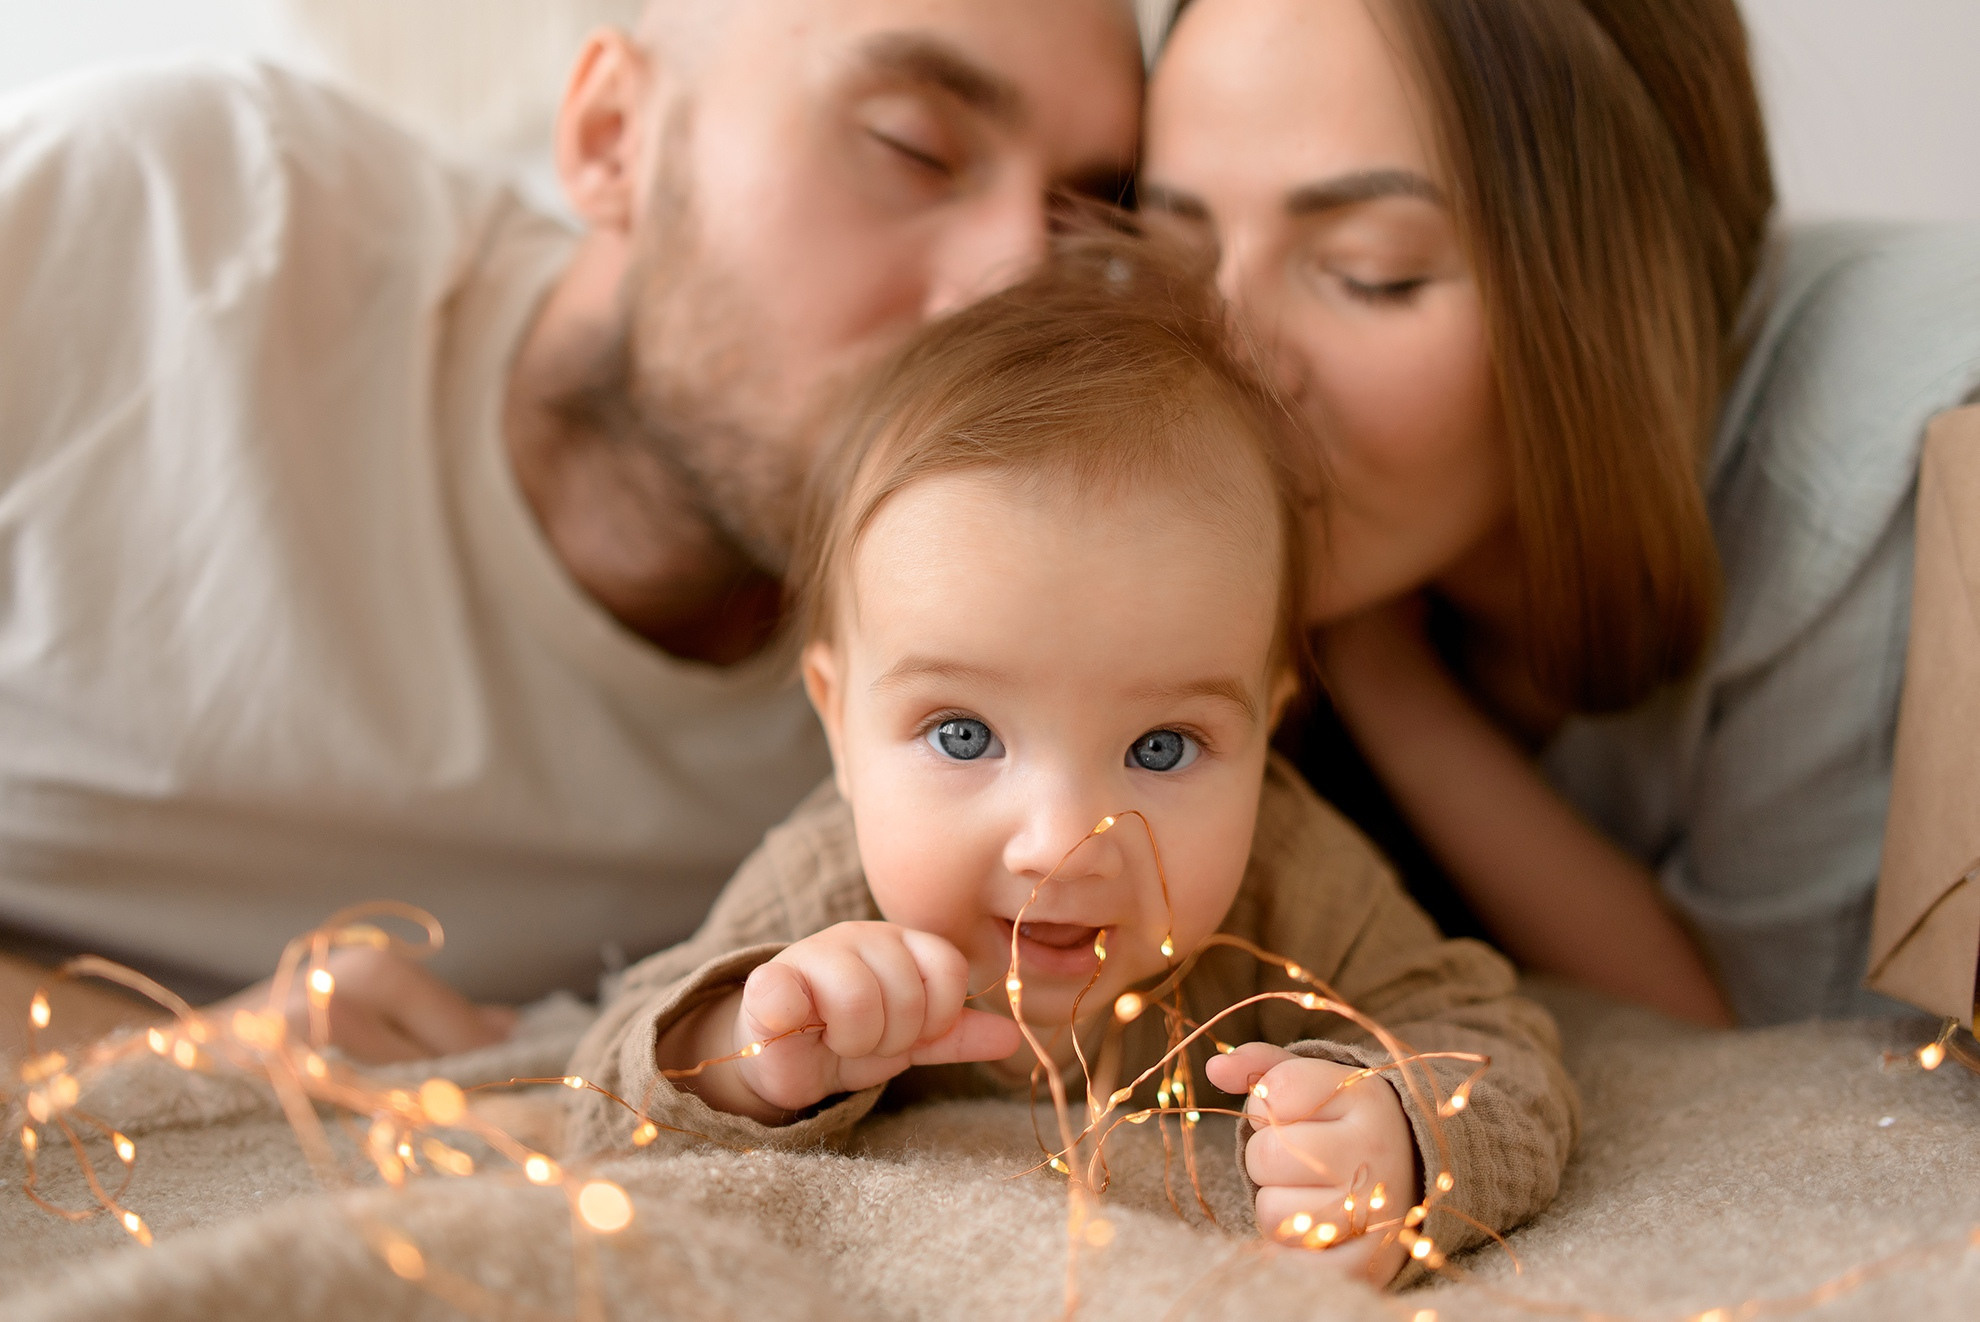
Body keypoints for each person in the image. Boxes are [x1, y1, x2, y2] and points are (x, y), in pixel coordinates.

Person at [0, 0, 1144, 1061]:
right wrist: (159, 1056)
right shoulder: (163, 224)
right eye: (915, 149)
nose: (1014, 293)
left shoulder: (1007, 692)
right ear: (613, 137)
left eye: (1083, 226)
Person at [564, 249, 1577, 1286]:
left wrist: (1403, 1137)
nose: (1061, 840)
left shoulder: (1291, 878)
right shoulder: (830, 898)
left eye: (1161, 748)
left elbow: (1494, 1048)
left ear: (1264, 733)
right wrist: (747, 1052)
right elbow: (601, 1097)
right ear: (840, 726)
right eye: (964, 734)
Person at [1139, 0, 1980, 1028]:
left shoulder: (1879, 454)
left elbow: (1788, 1036)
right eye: (1176, 258)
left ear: (1610, 295)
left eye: (1372, 272)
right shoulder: (1377, 556)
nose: (1233, 359)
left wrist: (1382, 675)